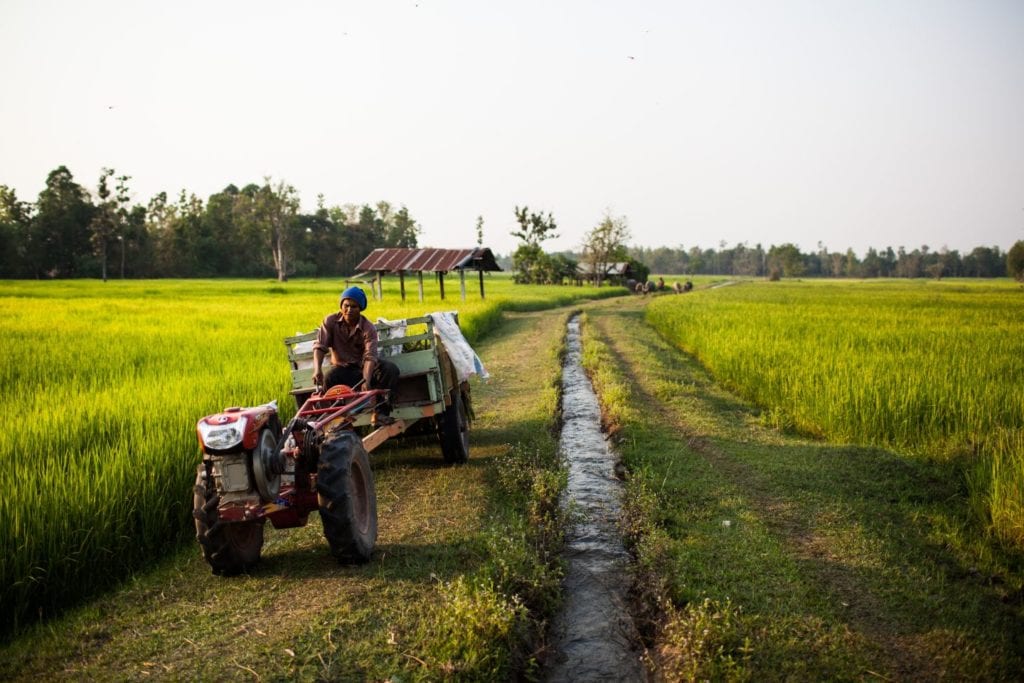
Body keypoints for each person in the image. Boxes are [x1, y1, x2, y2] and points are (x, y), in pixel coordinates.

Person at [312, 286, 400, 426]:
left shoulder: (367, 327)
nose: (349, 310)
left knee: (390, 369)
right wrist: (317, 369)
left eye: (354, 306)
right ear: (341, 306)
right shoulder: (330, 322)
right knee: (329, 377)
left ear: (360, 309)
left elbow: (370, 356)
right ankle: (339, 420)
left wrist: (366, 380)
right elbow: (320, 346)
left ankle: (379, 414)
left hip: (364, 368)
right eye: (346, 305)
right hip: (343, 369)